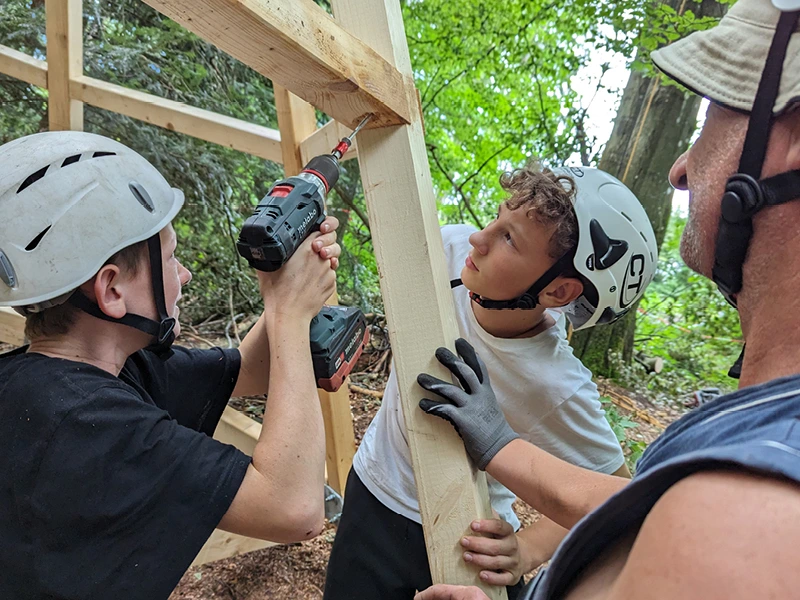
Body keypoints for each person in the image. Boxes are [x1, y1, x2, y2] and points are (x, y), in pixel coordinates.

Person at [413, 1, 800, 598]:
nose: (679, 168)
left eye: (714, 119)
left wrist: (505, 462)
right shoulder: (752, 436)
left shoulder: (752, 511)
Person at [0, 131, 342, 599]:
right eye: (170, 256)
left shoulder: (99, 372)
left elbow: (251, 368)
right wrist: (288, 313)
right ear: (112, 290)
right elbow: (295, 510)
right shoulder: (86, 424)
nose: (184, 273)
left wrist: (279, 282)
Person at [324, 164, 657, 599]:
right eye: (496, 218)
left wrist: (529, 548)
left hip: (463, 542)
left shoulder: (554, 383)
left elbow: (620, 502)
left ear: (558, 293)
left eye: (509, 239)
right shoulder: (446, 251)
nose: (480, 238)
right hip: (372, 494)